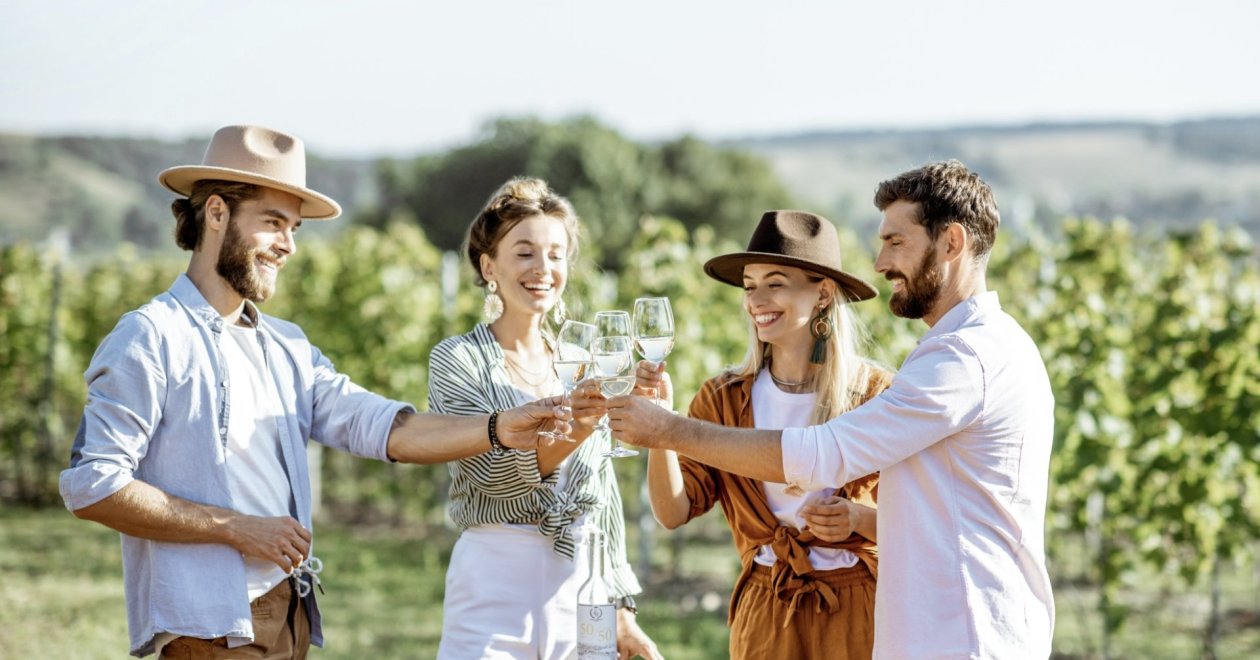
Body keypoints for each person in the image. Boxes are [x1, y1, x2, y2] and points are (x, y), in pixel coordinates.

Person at [58, 125, 569, 659]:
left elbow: (386, 428)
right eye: (274, 223)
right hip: (209, 627)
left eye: (295, 228)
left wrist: (497, 428)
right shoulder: (152, 336)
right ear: (216, 213)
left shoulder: (287, 348)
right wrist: (237, 529)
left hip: (290, 613)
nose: (288, 245)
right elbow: (94, 485)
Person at [608, 160, 1055, 658]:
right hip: (861, 621)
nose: (881, 262)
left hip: (955, 633)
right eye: (749, 285)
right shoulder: (969, 349)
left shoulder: (958, 359)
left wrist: (668, 430)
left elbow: (823, 453)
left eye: (896, 242)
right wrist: (665, 431)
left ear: (951, 243)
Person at [637, 210, 892, 659]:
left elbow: (926, 522)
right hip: (768, 607)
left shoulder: (876, 396)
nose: (756, 299)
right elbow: (672, 512)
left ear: (823, 293)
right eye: (750, 285)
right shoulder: (723, 399)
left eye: (775, 283)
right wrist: (663, 427)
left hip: (859, 609)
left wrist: (858, 520)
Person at [427, 177, 661, 660]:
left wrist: (620, 608)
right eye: (525, 252)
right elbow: (491, 474)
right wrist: (578, 426)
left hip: (582, 583)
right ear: (489, 265)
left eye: (556, 254)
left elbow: (603, 495)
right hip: (494, 582)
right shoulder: (457, 359)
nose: (543, 268)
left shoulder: (589, 364)